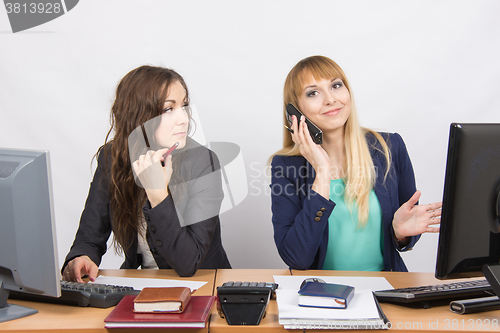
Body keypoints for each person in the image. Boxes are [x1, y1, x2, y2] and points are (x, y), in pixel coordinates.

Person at [269, 55, 441, 272]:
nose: (330, 99)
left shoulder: (389, 147)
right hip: (322, 295)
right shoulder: (285, 167)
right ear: (295, 112)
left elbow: (408, 226)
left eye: (336, 85)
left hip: (386, 290)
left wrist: (400, 233)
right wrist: (322, 172)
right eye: (313, 93)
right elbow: (297, 258)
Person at [62, 65, 231, 281]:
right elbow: (89, 236)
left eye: (184, 106)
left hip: (203, 283)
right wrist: (82, 256)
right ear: (140, 116)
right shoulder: (112, 158)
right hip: (143, 284)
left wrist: (158, 194)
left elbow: (188, 263)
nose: (184, 119)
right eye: (169, 109)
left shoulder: (202, 162)